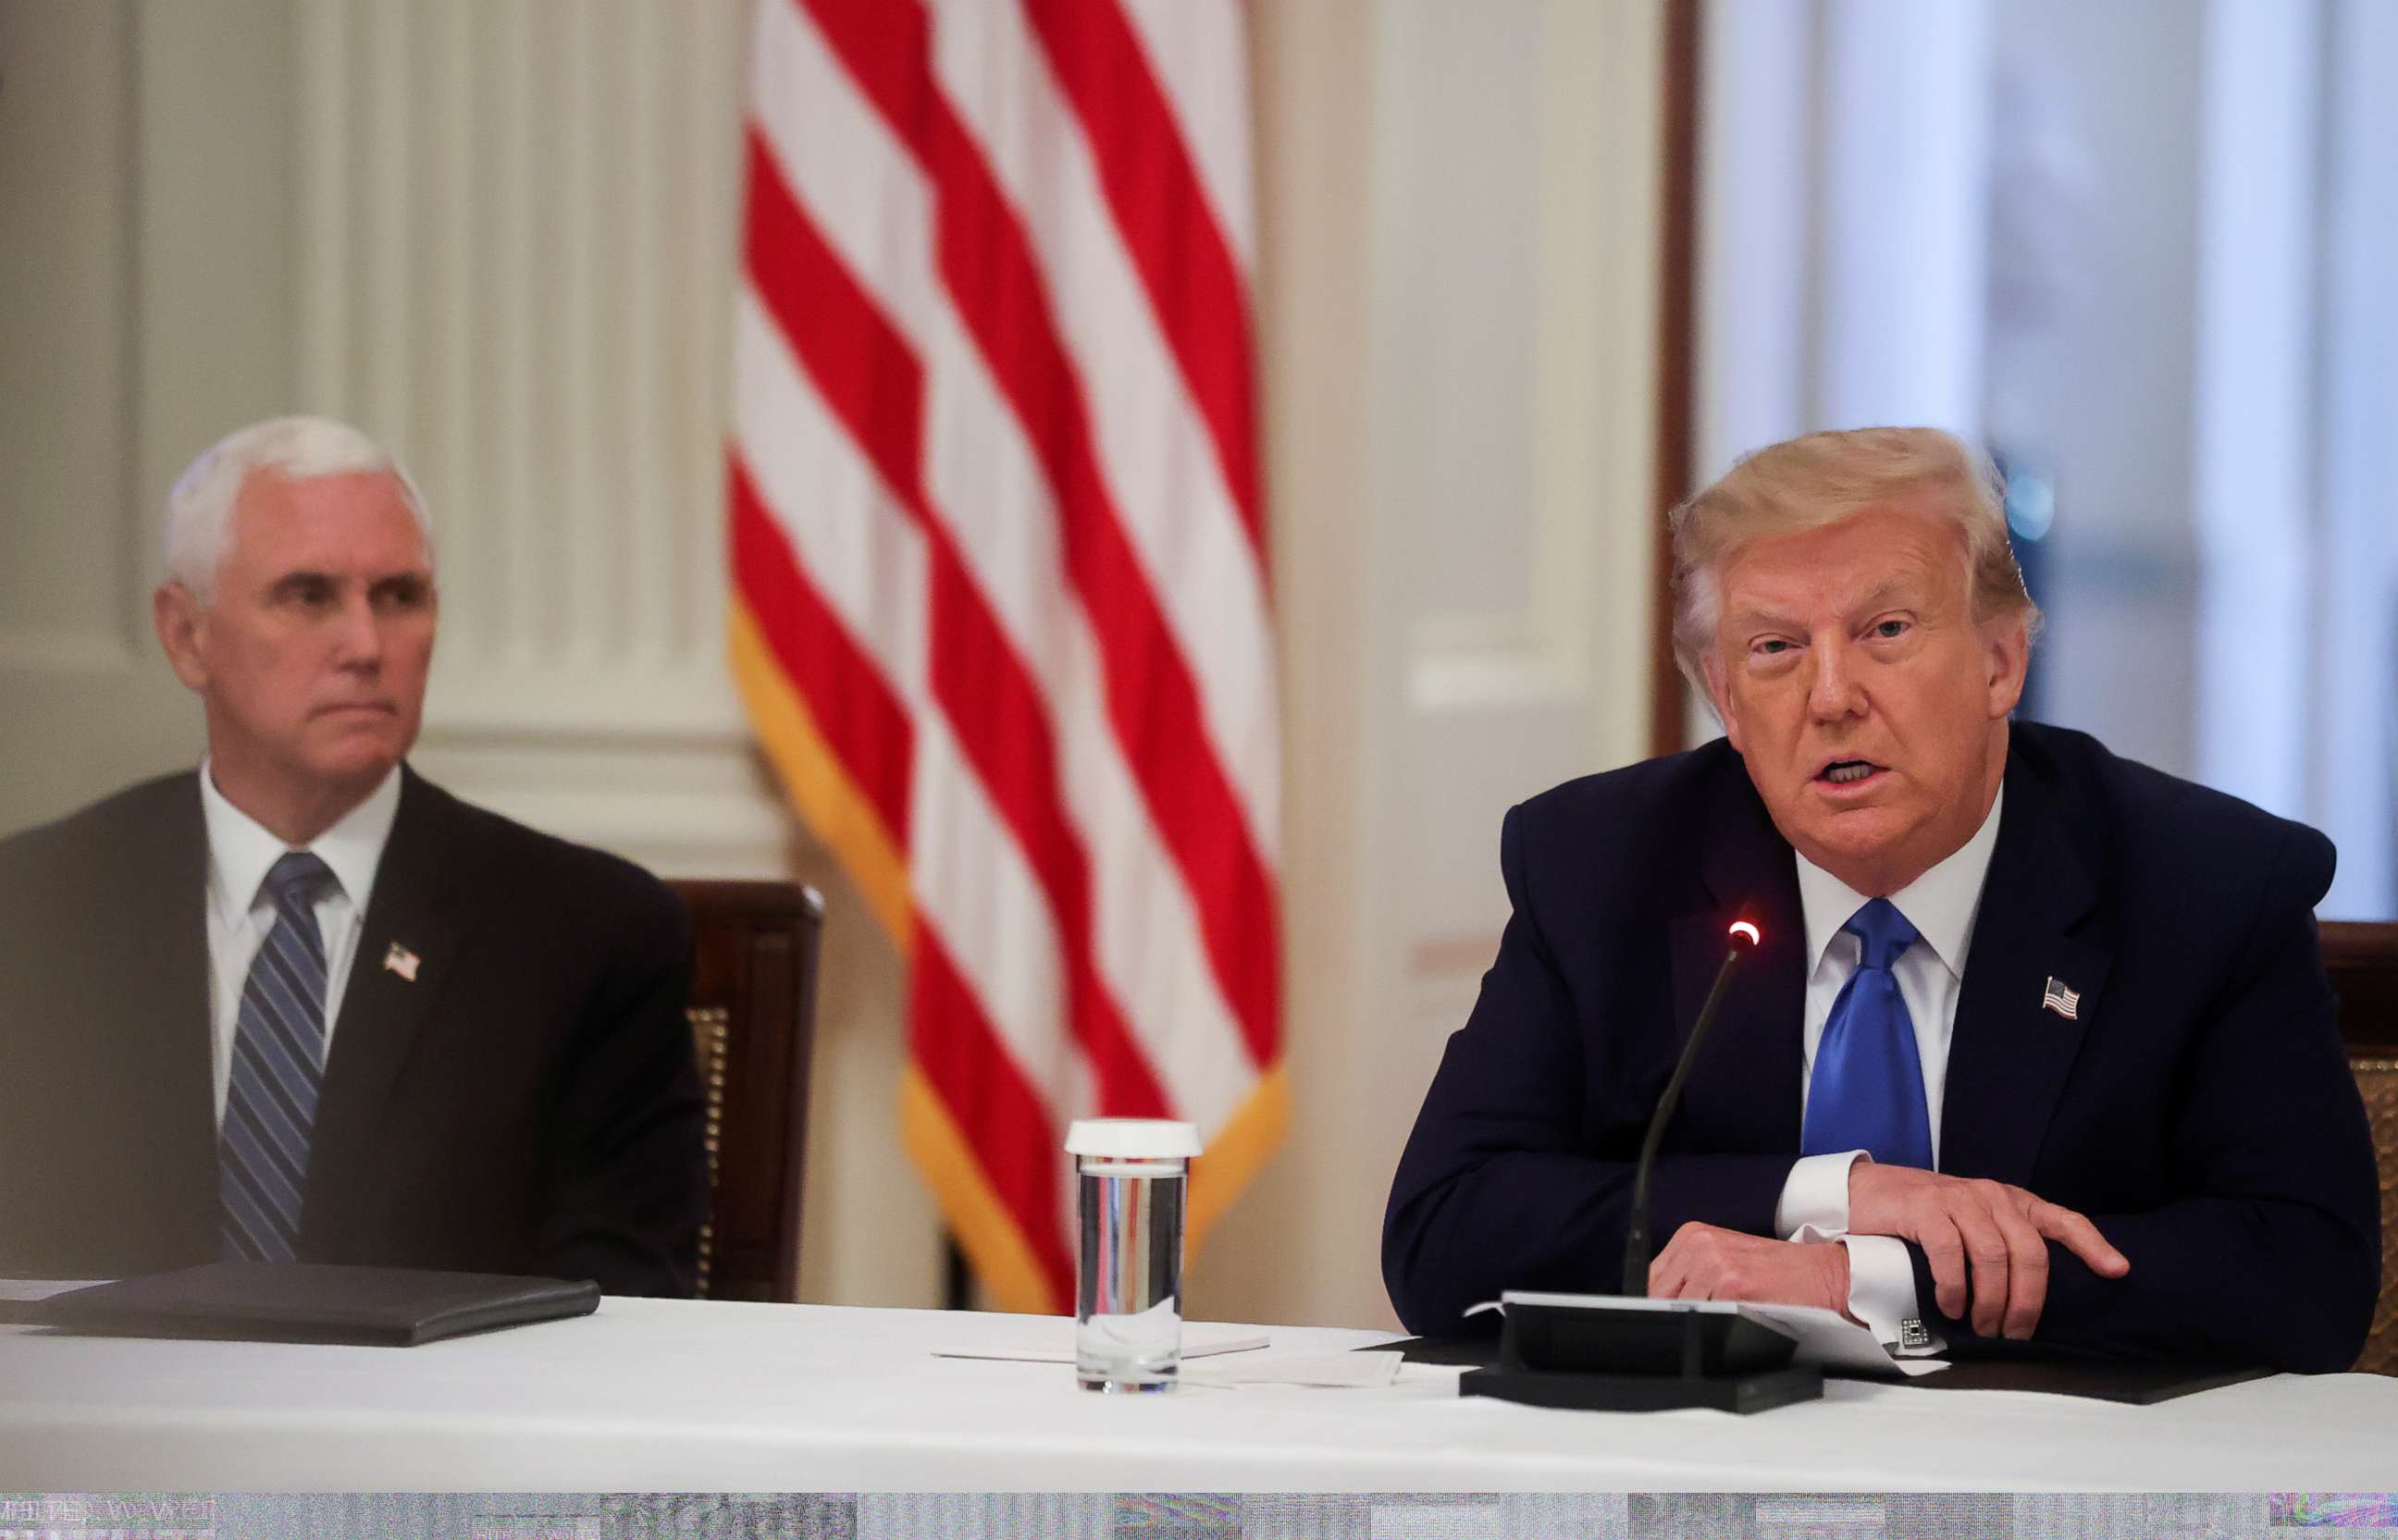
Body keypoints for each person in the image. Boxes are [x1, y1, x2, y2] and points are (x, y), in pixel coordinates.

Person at [1382, 426, 2379, 1371]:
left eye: (1885, 630)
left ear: (2002, 662)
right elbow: (1444, 1232)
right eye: (1774, 649)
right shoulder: (1600, 867)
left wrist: (1858, 1276)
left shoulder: (2203, 885)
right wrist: (1837, 1195)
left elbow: (2304, 1277)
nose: (1830, 697)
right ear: (1727, 701)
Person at [0, 416, 707, 1296]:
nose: (368, 647)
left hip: (444, 1429)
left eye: (401, 596)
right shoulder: (32, 913)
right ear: (187, 636)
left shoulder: (586, 937)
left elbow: (631, 1312)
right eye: (308, 596)